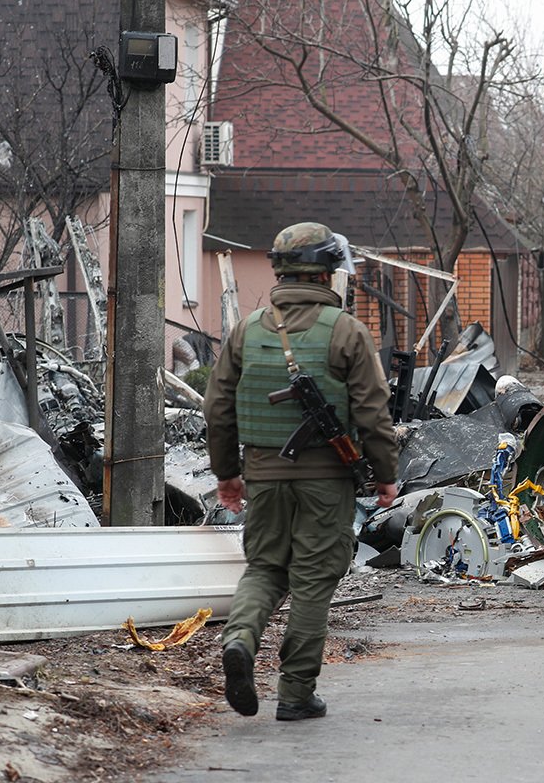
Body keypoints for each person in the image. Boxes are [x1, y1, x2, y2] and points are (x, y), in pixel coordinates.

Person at [203, 222, 399, 722]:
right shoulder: (347, 331)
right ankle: (294, 694)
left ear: (281, 271)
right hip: (327, 480)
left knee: (265, 568)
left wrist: (227, 474)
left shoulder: (247, 329)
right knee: (312, 579)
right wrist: (385, 475)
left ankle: (241, 641)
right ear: (328, 273)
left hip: (263, 476)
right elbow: (374, 414)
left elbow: (218, 408)